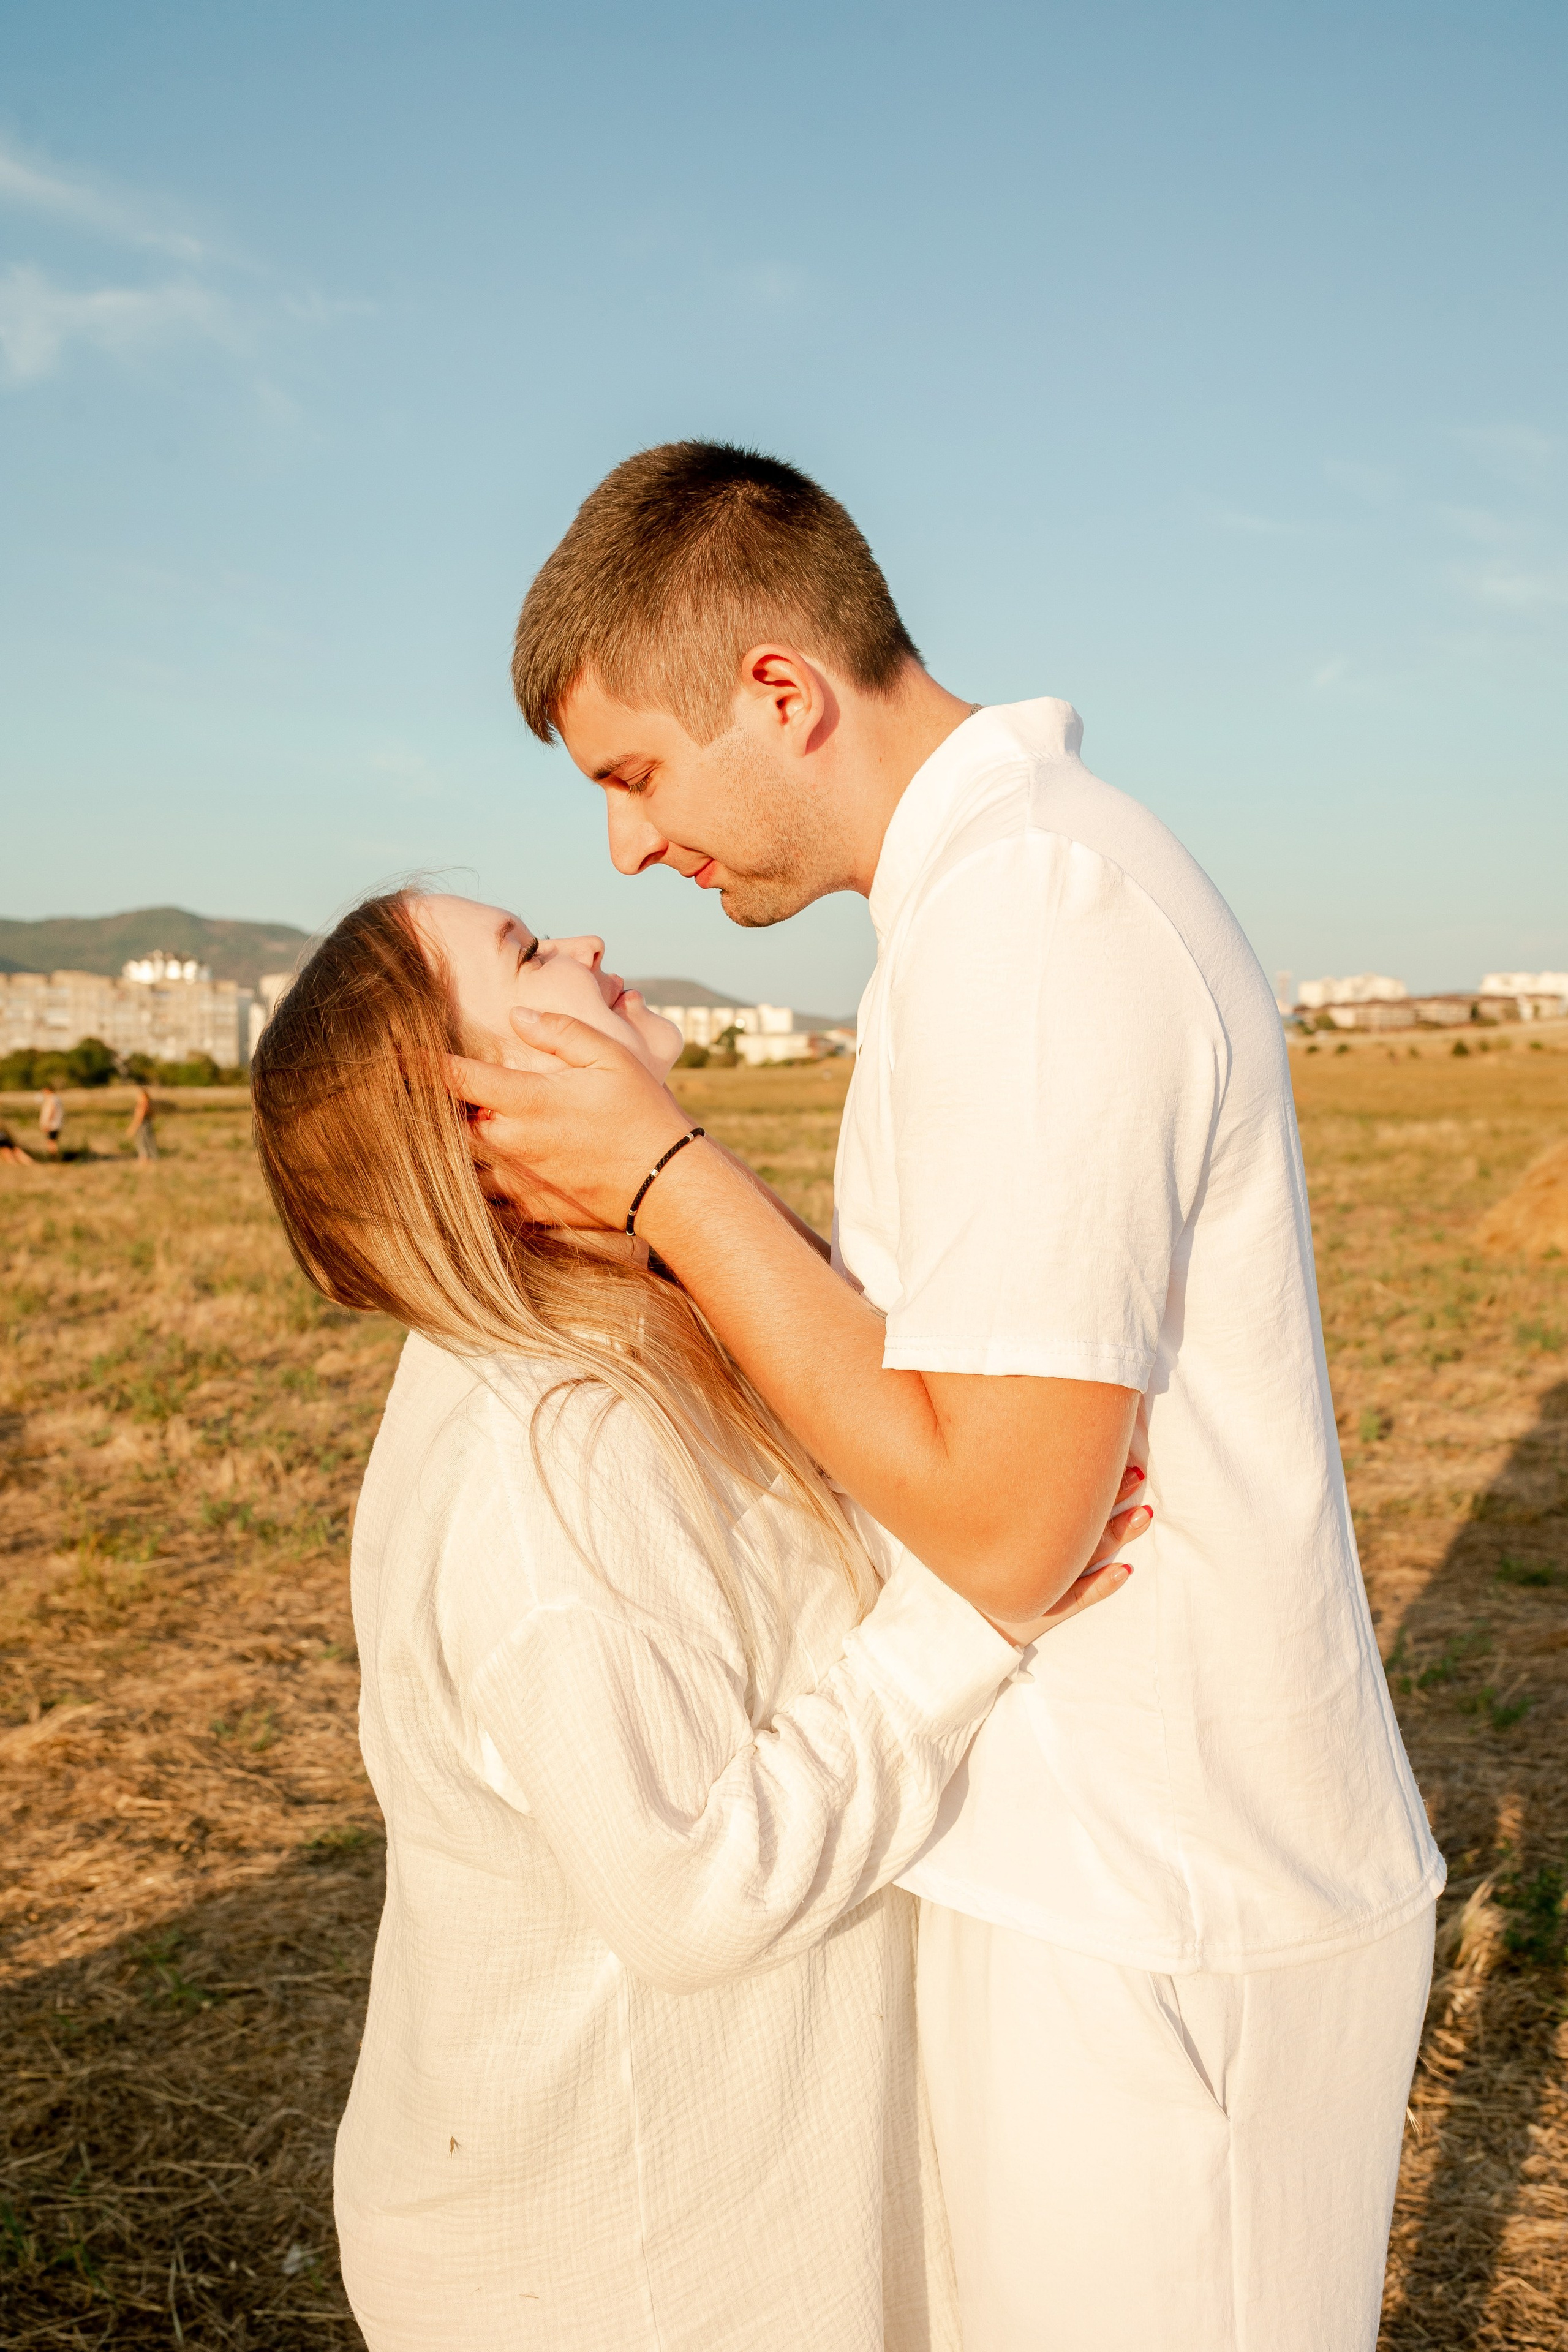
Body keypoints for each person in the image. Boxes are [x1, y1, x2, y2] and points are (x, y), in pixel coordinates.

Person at [458, 442, 1446, 2352]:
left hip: (1167, 1898)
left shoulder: (1035, 916)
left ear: (777, 692)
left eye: (632, 774)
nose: (625, 853)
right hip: (1097, 1865)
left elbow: (1005, 1513)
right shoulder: (987, 904)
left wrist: (669, 1176)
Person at [249, 886, 1147, 2352]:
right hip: (614, 2264)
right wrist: (972, 1613)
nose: (587, 942)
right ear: (470, 1113)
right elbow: (686, 1886)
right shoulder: (548, 1454)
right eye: (524, 953)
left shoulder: (629, 1338)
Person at [127, 1086, 159, 1163]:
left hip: (142, 1127)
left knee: (142, 1143)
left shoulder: (143, 1106)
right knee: (149, 1142)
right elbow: (153, 1117)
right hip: (148, 1126)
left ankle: (144, 1161)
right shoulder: (149, 1105)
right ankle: (151, 1159)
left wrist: (132, 1129)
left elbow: (139, 1118)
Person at [37, 1087, 64, 1158]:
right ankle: (55, 1156)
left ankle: (54, 1157)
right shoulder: (56, 1098)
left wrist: (47, 1123)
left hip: (52, 1124)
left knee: (51, 1141)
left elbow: (52, 1111)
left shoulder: (52, 1099)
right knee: (53, 1140)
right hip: (56, 1124)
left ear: (47, 1090)